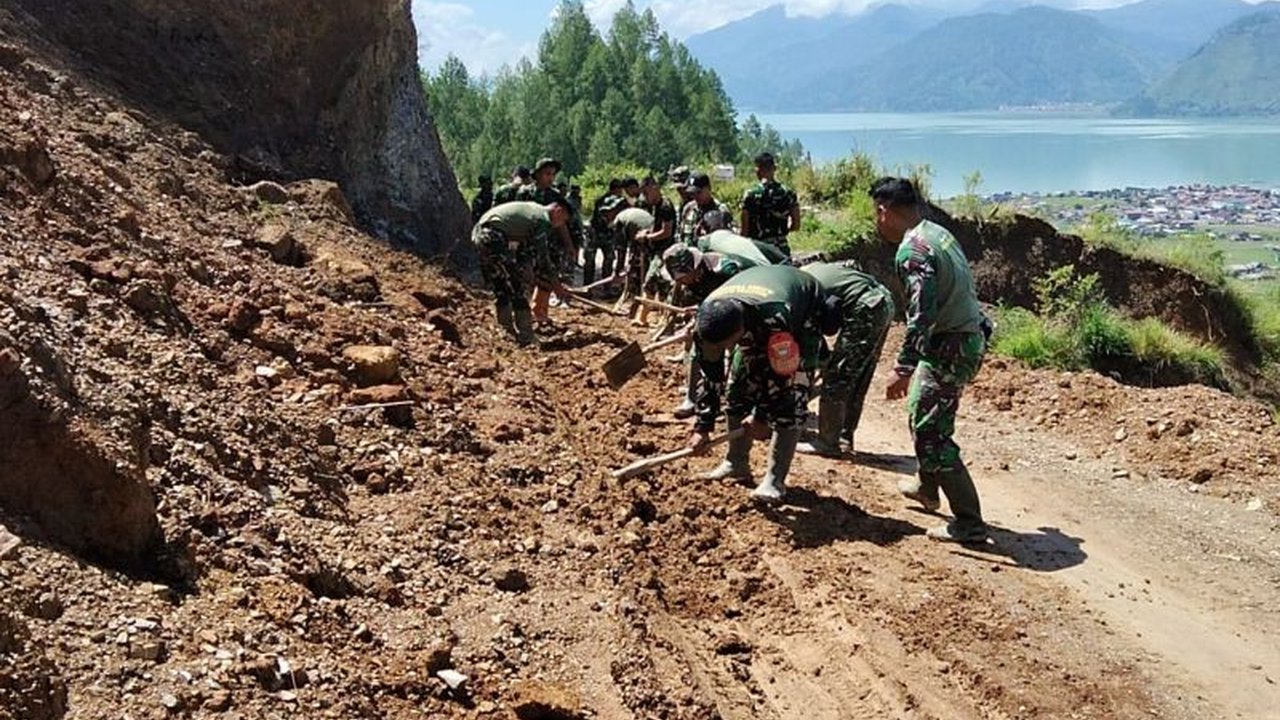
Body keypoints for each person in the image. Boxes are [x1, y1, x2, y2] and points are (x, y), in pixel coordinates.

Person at [870, 176, 991, 544]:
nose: (876, 223)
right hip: (960, 337)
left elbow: (921, 314)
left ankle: (969, 523)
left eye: (876, 215)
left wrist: (902, 368)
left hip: (950, 346)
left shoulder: (913, 250)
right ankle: (926, 486)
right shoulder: (936, 232)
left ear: (884, 211)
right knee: (920, 411)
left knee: (933, 433)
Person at [687, 265, 837, 502]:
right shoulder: (707, 322)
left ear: (740, 332)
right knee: (737, 390)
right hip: (755, 316)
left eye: (727, 344)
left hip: (803, 315)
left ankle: (775, 480)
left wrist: (762, 416)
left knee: (791, 396)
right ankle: (736, 463)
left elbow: (779, 376)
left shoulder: (773, 318)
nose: (723, 351)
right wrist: (702, 427)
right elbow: (711, 375)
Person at [796, 260, 894, 456]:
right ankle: (843, 436)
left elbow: (812, 334)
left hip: (865, 307)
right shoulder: (813, 272)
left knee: (837, 375)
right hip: (883, 301)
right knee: (858, 374)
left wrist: (823, 362)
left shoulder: (799, 288)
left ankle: (827, 442)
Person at [662, 244, 761, 419]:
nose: (683, 282)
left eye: (685, 277)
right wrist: (698, 316)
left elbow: (743, 297)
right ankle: (692, 399)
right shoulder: (689, 280)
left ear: (695, 267)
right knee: (700, 346)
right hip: (717, 307)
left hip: (744, 306)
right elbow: (708, 299)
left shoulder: (724, 269)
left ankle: (735, 399)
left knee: (739, 352)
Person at [471, 200, 573, 345]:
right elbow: (543, 259)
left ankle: (506, 332)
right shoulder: (542, 219)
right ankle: (526, 336)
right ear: (558, 211)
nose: (560, 225)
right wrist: (557, 287)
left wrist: (527, 269)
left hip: (482, 236)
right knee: (517, 286)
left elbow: (526, 249)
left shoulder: (533, 210)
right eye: (563, 220)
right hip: (493, 238)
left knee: (502, 285)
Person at [740, 152, 800, 257]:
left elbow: (744, 232)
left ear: (757, 170)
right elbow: (796, 225)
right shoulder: (788, 193)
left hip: (759, 250)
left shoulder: (750, 194)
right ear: (774, 169)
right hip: (781, 249)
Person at [583, 178, 625, 288]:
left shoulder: (617, 201)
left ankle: (605, 286)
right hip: (597, 233)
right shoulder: (604, 201)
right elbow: (606, 220)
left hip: (607, 234)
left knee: (608, 260)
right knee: (591, 261)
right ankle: (589, 287)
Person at [678, 172, 733, 246]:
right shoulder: (688, 209)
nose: (695, 196)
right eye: (692, 193)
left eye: (699, 192)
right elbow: (682, 235)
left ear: (708, 188)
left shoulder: (721, 210)